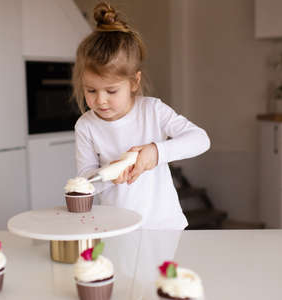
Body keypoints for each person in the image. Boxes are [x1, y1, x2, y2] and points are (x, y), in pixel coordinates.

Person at [71, 1, 210, 230]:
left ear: (134, 82)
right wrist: (107, 176)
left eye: (111, 90)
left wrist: (156, 152)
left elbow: (200, 139)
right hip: (115, 228)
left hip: (164, 227)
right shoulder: (86, 126)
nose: (100, 100)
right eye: (91, 90)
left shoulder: (152, 111)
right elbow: (85, 182)